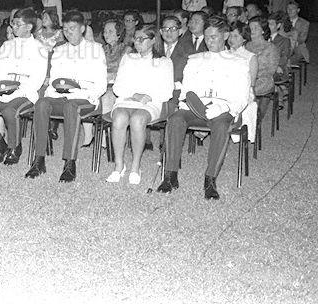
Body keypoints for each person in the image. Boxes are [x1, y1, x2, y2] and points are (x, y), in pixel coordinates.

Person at [157, 15, 251, 200]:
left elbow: (242, 95)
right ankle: (170, 175)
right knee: (175, 119)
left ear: (225, 36)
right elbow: (187, 89)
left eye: (214, 36)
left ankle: (210, 180)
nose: (210, 41)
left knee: (221, 125)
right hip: (196, 106)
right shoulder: (195, 59)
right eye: (207, 37)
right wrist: (186, 102)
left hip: (223, 107)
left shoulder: (238, 62)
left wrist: (225, 107)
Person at [25, 11, 107, 181]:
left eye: (73, 28)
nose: (69, 32)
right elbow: (55, 79)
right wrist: (51, 94)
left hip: (86, 98)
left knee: (71, 106)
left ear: (83, 29)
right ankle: (39, 160)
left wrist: (80, 91)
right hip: (61, 95)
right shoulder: (60, 49)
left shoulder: (96, 49)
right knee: (41, 103)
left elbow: (100, 83)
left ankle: (70, 163)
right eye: (66, 29)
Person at [0, 8, 48, 165]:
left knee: (9, 110)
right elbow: (0, 72)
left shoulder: (39, 48)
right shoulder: (7, 46)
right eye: (13, 23)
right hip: (4, 88)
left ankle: (15, 147)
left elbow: (38, 78)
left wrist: (18, 90)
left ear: (29, 27)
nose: (13, 27)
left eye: (17, 24)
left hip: (25, 92)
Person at [106, 24, 173, 184]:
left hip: (151, 102)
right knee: (120, 118)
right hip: (127, 99)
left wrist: (147, 95)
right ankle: (119, 165)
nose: (137, 42)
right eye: (135, 39)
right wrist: (135, 94)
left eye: (141, 39)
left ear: (153, 41)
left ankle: (136, 166)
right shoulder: (128, 58)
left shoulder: (164, 62)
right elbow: (118, 86)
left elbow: (166, 90)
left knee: (137, 120)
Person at [246, 16, 279, 96]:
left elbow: (271, 70)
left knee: (247, 91)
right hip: (247, 77)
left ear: (263, 30)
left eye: (256, 28)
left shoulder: (270, 47)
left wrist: (253, 76)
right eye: (250, 28)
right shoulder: (246, 45)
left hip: (263, 79)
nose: (252, 31)